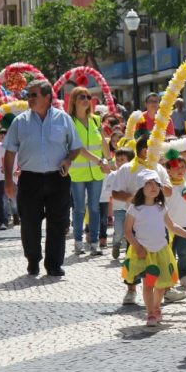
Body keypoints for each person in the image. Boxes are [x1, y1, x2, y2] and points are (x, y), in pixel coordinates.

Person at [3, 80, 83, 277]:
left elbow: (75, 147)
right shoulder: (20, 122)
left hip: (58, 177)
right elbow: (9, 153)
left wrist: (68, 159)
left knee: (58, 222)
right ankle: (33, 259)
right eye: (28, 95)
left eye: (34, 95)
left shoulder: (63, 119)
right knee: (29, 222)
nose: (29, 99)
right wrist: (8, 182)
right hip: (29, 179)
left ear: (47, 98)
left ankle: (54, 264)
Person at [123, 170, 186, 327]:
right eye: (148, 183)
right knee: (148, 284)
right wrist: (137, 247)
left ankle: (157, 306)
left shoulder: (161, 208)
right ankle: (151, 313)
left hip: (161, 251)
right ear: (141, 188)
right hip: (144, 253)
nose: (153, 187)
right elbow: (127, 231)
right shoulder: (134, 209)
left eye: (156, 184)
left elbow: (172, 226)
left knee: (161, 284)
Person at [111, 135, 173, 304]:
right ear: (145, 150)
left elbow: (169, 191)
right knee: (134, 256)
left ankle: (165, 288)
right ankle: (131, 290)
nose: (159, 153)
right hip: (136, 218)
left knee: (161, 254)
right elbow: (115, 193)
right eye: (157, 149)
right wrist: (134, 198)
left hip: (157, 217)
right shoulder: (127, 168)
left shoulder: (158, 168)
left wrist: (156, 187)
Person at [68, 86, 111, 255]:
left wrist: (109, 160)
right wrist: (100, 160)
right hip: (77, 173)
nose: (86, 100)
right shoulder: (69, 121)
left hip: (96, 172)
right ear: (74, 100)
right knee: (79, 208)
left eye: (88, 96)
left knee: (94, 208)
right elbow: (78, 148)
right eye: (82, 97)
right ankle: (78, 242)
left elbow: (103, 142)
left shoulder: (96, 120)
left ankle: (94, 243)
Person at [162, 138, 186, 302]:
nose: (180, 170)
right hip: (168, 226)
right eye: (175, 167)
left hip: (185, 224)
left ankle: (185, 274)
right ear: (168, 169)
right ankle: (169, 278)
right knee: (170, 254)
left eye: (182, 167)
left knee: (184, 253)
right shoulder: (166, 187)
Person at [104, 147, 133, 259]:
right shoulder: (113, 175)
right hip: (119, 209)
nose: (119, 162)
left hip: (132, 209)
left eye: (122, 160)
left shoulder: (134, 174)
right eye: (117, 160)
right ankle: (116, 244)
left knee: (131, 231)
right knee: (119, 230)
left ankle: (130, 251)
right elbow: (108, 191)